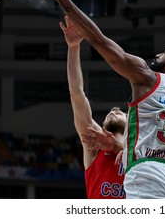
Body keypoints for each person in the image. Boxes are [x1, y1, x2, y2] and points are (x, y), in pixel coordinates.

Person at [28, 0, 165, 199]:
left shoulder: (148, 78)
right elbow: (77, 95)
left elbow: (99, 39)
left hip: (152, 173)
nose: (158, 54)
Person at [60, 15, 126, 199]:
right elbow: (77, 94)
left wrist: (116, 146)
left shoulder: (141, 147)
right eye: (111, 112)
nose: (114, 110)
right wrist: (73, 48)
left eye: (120, 111)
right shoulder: (95, 142)